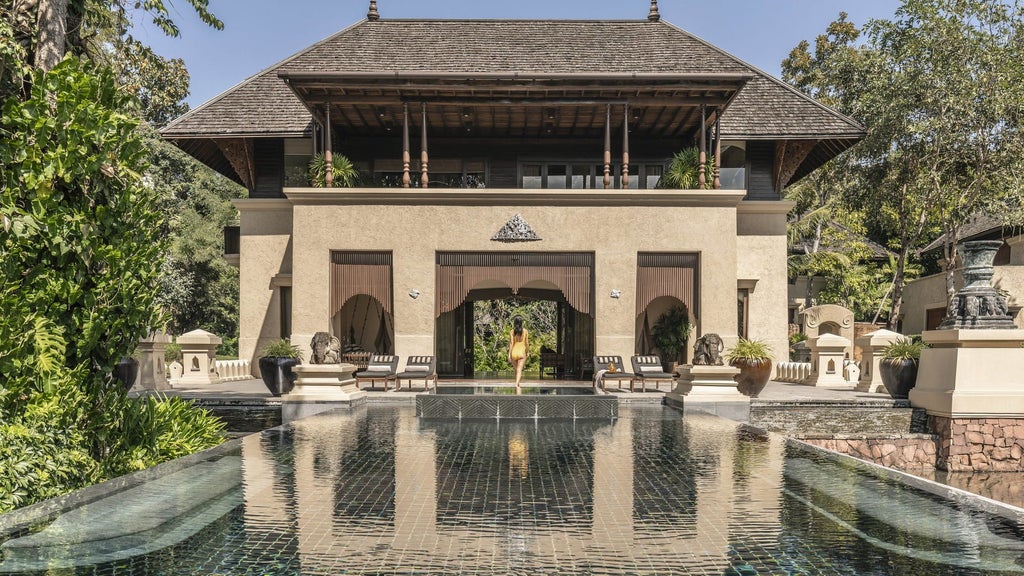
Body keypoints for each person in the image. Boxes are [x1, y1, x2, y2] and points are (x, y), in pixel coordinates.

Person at [507, 316, 529, 394]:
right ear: (521, 323)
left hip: (514, 351)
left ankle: (517, 383)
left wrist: (509, 354)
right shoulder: (525, 331)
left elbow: (511, 343)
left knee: (516, 369)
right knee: (519, 369)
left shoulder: (512, 332)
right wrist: (528, 351)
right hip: (522, 351)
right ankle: (516, 384)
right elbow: (526, 343)